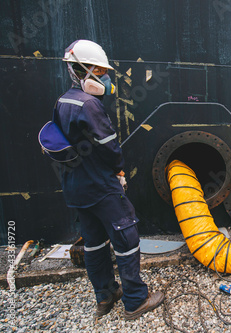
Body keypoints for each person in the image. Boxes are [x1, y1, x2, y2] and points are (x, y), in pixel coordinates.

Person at [53, 39, 164, 320]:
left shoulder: (63, 101)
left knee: (93, 243)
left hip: (76, 188)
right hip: (101, 187)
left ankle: (105, 296)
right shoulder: (89, 105)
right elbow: (110, 146)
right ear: (83, 71)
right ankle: (136, 301)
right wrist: (119, 171)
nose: (105, 78)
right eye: (100, 72)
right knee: (127, 239)